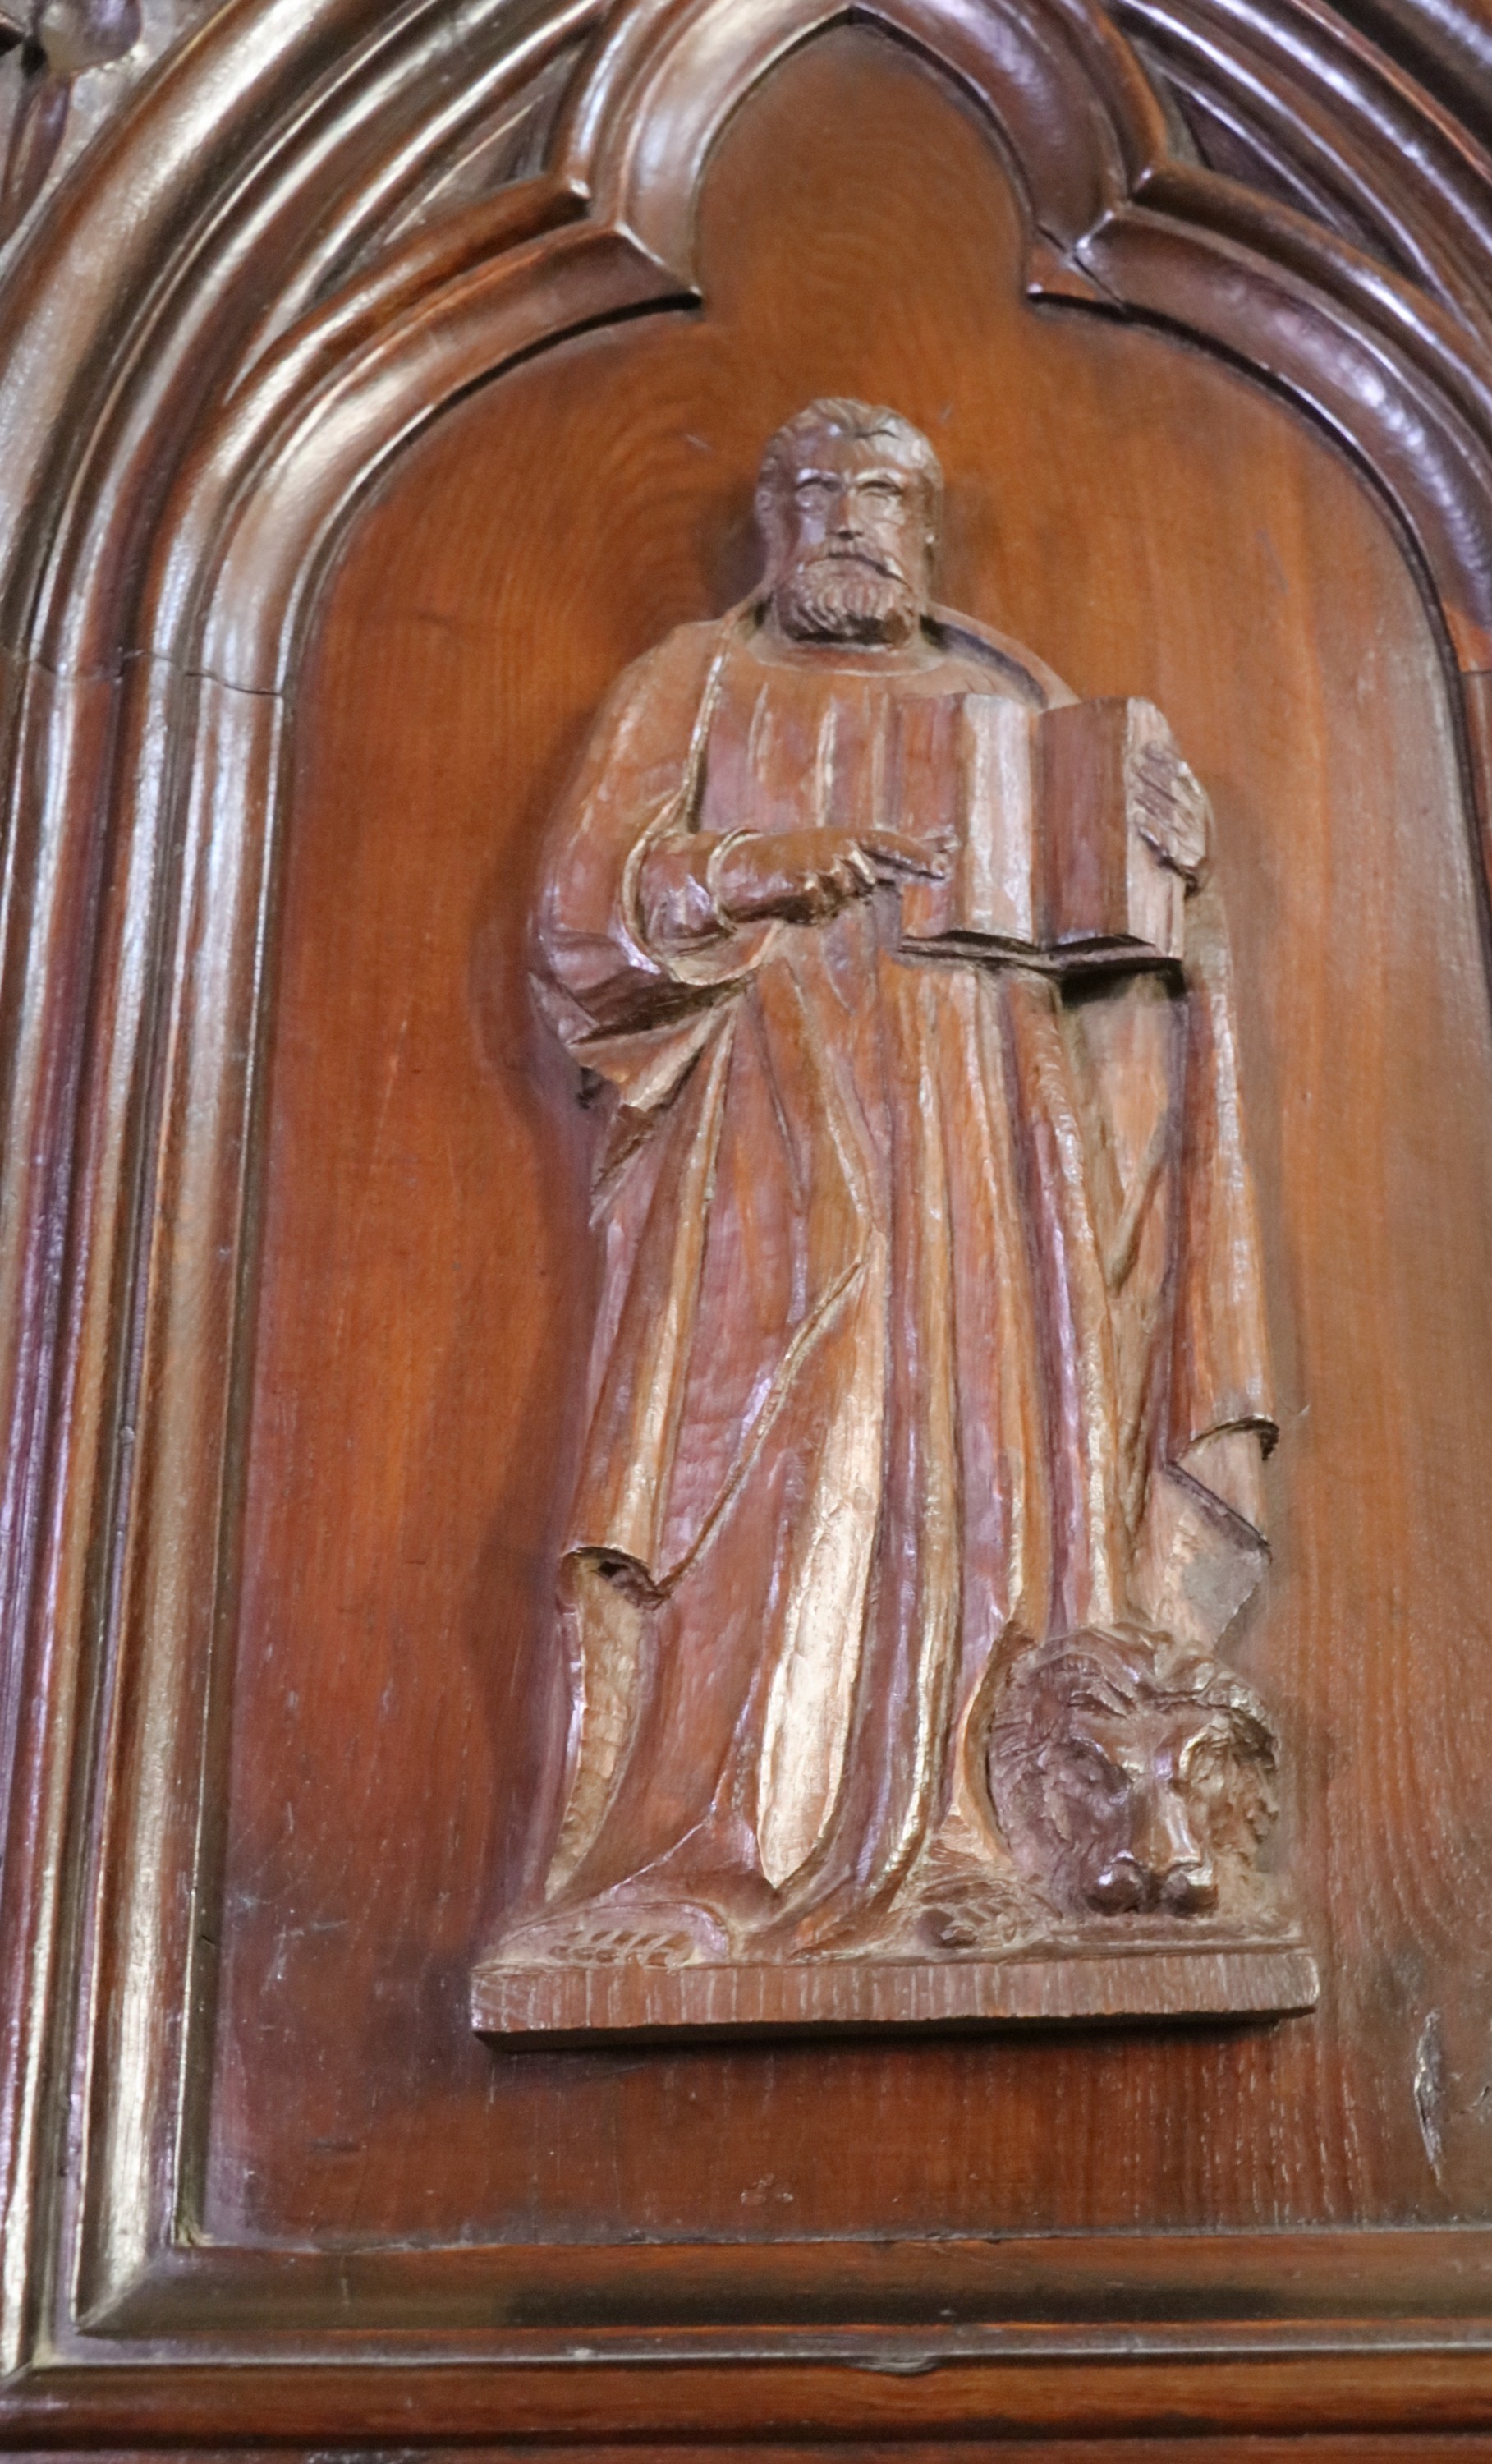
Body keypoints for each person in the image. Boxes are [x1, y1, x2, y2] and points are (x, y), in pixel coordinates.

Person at [496, 398, 1275, 1970]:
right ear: (773, 525)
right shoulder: (697, 680)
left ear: (920, 528)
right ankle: (721, 1849)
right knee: (773, 1456)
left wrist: (1173, 876)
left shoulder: (1007, 693)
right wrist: (754, 866)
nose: (848, 519)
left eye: (879, 496)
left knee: (996, 1453)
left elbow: (1127, 974)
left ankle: (988, 1840)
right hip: (769, 1134)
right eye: (815, 493)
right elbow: (586, 912)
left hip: (988, 1131)